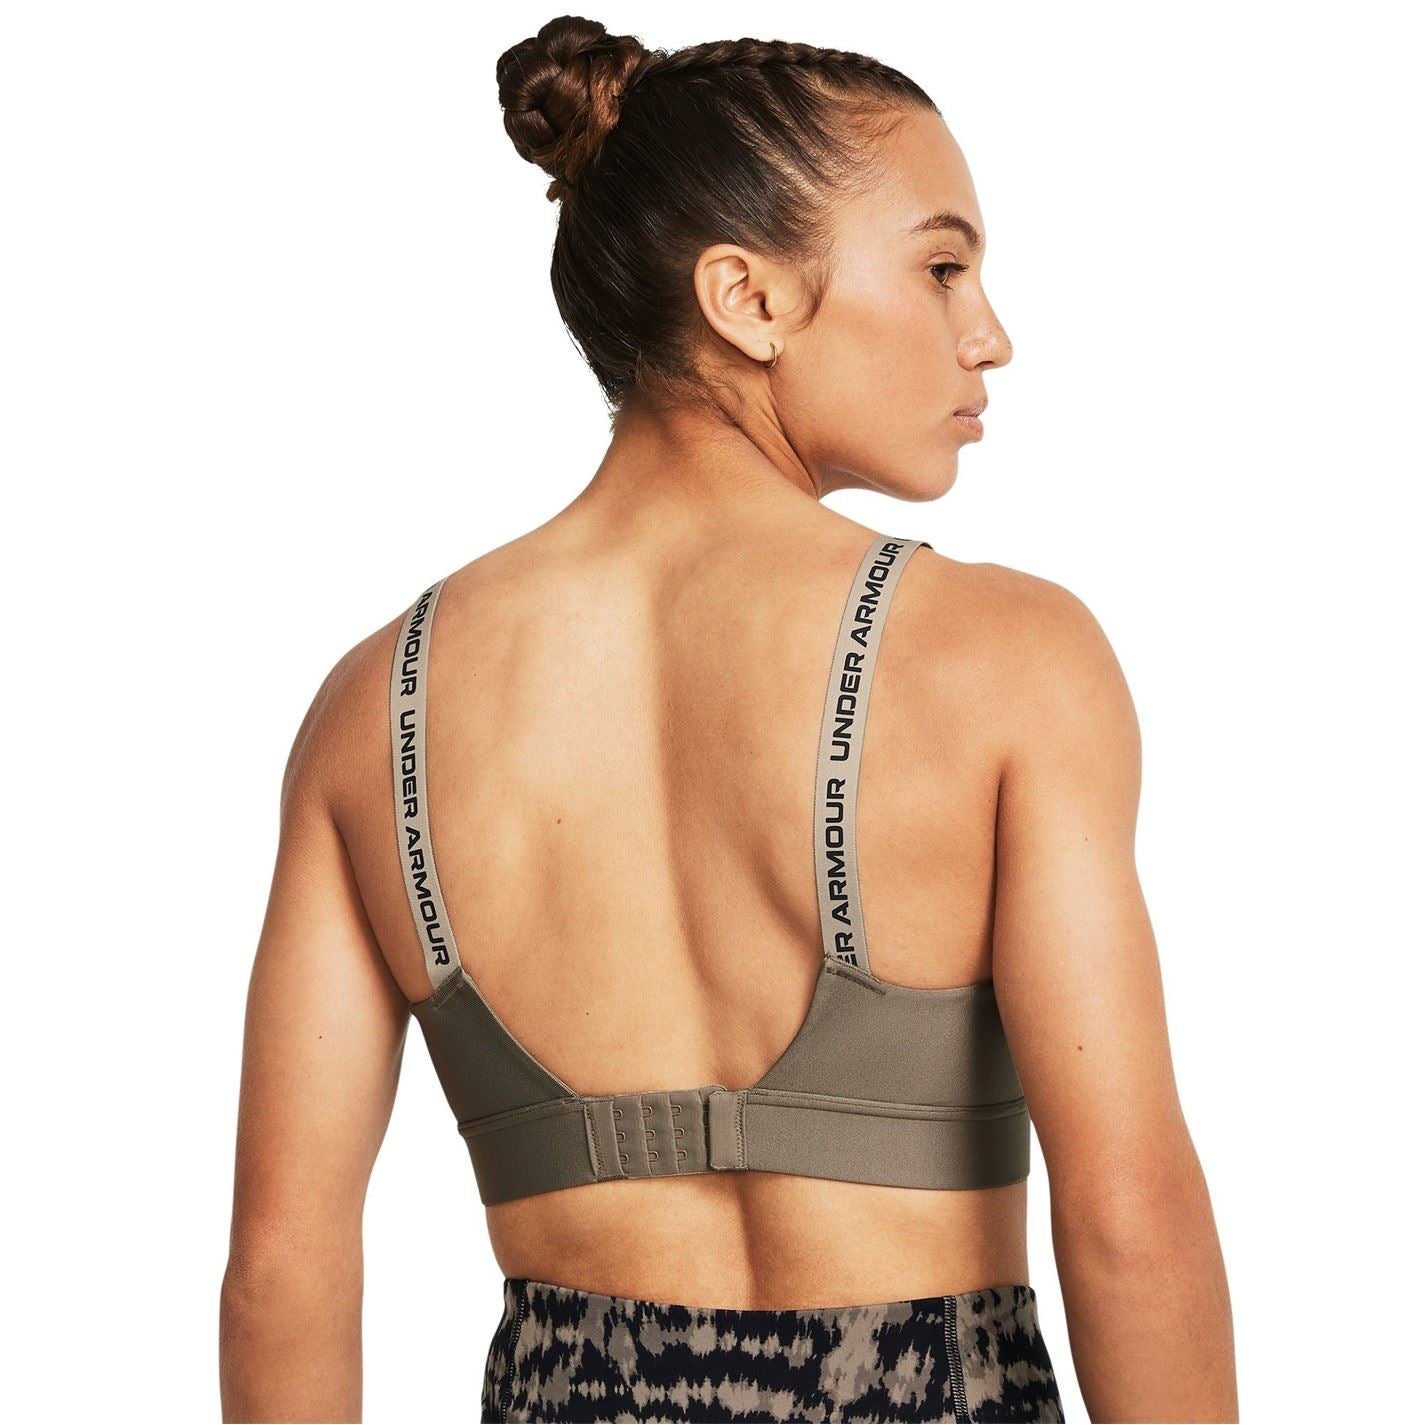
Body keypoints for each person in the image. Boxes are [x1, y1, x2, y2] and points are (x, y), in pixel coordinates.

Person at [220, 16, 1236, 1423]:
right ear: (745, 298)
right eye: (942, 267)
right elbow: (1129, 1220)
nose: (989, 336)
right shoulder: (1008, 658)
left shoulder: (373, 707)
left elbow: (280, 1268)